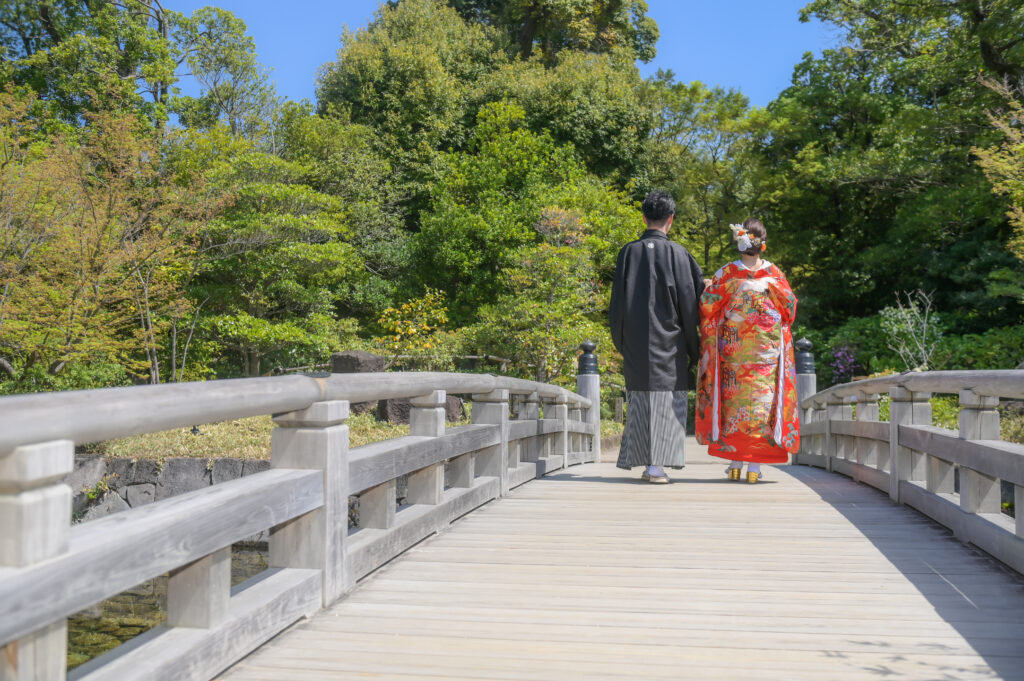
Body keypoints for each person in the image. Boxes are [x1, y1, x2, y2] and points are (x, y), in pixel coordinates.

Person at [609, 190, 705, 483]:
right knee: (666, 401)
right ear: (671, 220)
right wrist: (694, 346)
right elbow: (692, 302)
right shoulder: (679, 254)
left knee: (640, 401)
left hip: (636, 343)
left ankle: (646, 463)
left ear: (644, 217)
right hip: (671, 341)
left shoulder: (628, 252)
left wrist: (621, 342)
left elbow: (617, 305)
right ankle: (657, 467)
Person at [695, 219, 799, 483]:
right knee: (763, 407)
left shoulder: (727, 274)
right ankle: (755, 469)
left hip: (734, 352)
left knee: (734, 406)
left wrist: (710, 289)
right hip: (766, 355)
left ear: (739, 243)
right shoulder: (775, 275)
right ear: (762, 244)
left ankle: (735, 462)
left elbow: (707, 307)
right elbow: (790, 310)